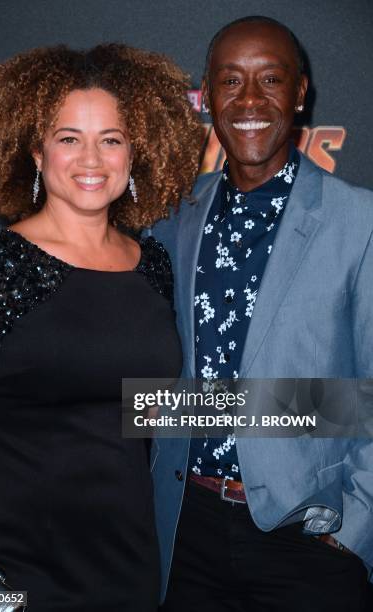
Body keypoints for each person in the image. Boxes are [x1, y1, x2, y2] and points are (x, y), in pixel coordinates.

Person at [0, 43, 203, 611]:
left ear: (134, 153)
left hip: (127, 569)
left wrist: (328, 412)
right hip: (6, 579)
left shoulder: (155, 265)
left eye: (110, 139)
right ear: (38, 154)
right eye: (69, 138)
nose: (91, 159)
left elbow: (151, 407)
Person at [150, 15, 373, 612]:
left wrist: (355, 528)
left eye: (270, 79)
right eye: (231, 81)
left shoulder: (360, 222)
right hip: (183, 531)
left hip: (309, 539)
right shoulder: (173, 219)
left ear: (300, 94)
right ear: (208, 95)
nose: (250, 99)